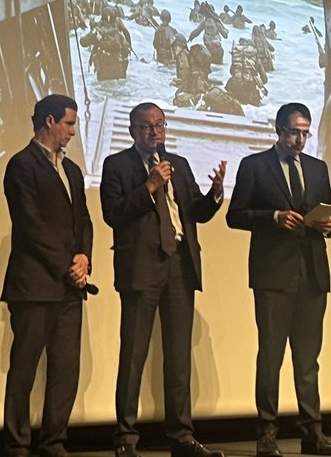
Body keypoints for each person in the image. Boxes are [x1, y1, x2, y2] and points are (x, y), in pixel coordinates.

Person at [99, 103, 226, 457]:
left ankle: (182, 437)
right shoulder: (117, 165)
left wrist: (215, 193)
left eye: (159, 126)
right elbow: (113, 214)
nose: (154, 132)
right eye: (145, 127)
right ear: (132, 130)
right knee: (134, 355)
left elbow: (194, 212)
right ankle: (125, 439)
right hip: (141, 269)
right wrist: (150, 186)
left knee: (178, 357)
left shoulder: (179, 165)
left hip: (179, 268)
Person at [226, 103, 331, 457]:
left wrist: (329, 225)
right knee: (271, 356)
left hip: (312, 274)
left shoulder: (318, 169)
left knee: (308, 360)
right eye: (294, 131)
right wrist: (274, 217)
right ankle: (267, 433)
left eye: (305, 133)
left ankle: (312, 433)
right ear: (278, 130)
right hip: (273, 274)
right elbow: (235, 216)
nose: (300, 139)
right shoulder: (254, 166)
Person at [1, 94, 93, 457]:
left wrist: (84, 256)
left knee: (65, 368)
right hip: (34, 284)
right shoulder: (21, 165)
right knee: (24, 367)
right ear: (50, 122)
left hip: (71, 285)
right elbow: (30, 224)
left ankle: (53, 440)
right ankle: (17, 443)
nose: (73, 131)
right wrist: (67, 265)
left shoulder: (71, 170)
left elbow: (83, 220)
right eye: (69, 124)